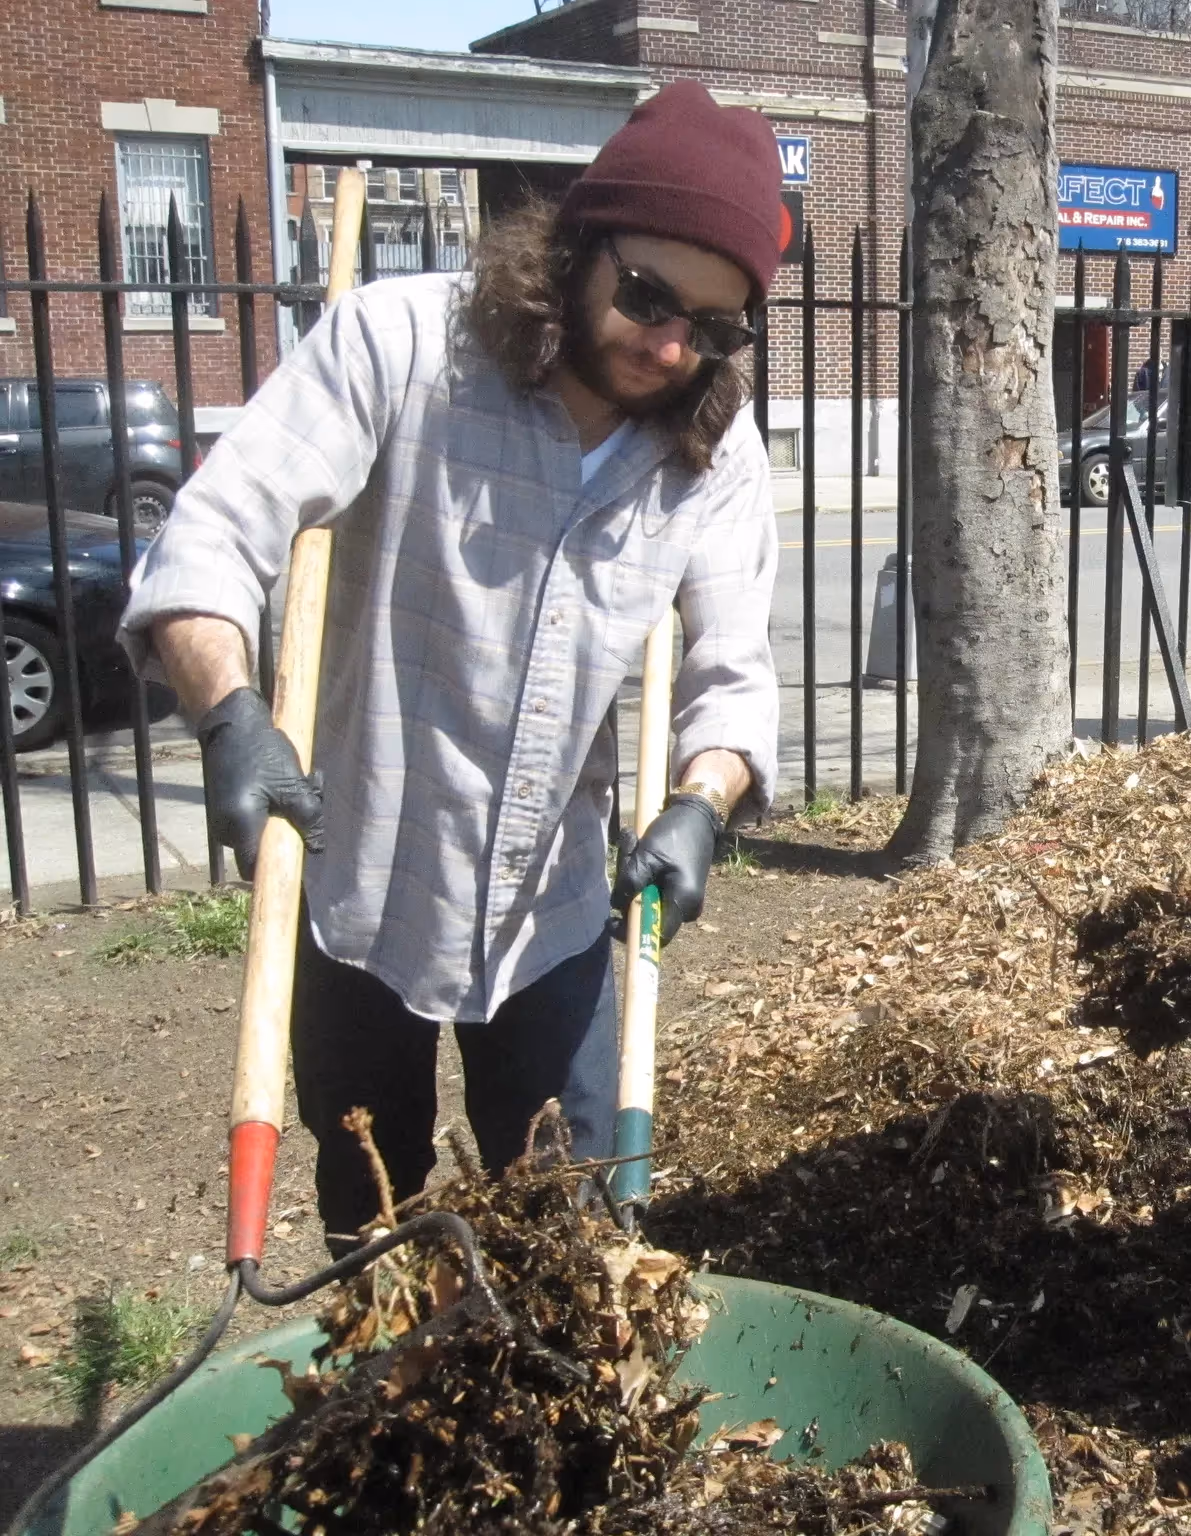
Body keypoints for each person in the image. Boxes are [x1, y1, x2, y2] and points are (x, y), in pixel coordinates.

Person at [117, 81, 785, 1246]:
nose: (671, 343)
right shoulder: (402, 346)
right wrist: (228, 710)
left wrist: (701, 798)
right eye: (645, 295)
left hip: (554, 910)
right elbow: (213, 533)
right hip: (363, 885)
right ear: (576, 248)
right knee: (371, 1209)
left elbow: (732, 670)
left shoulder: (712, 457)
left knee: (574, 1229)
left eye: (714, 327)